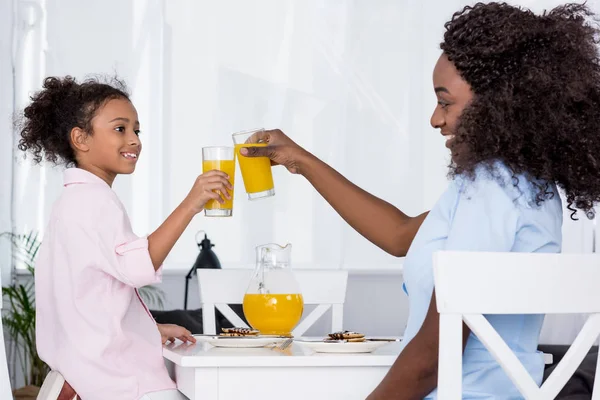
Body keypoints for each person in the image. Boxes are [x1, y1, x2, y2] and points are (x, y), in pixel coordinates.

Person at [240, 2, 600, 398]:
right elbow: (399, 234)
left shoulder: (491, 185)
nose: (435, 118)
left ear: (500, 104)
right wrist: (301, 160)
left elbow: (431, 360)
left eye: (445, 102)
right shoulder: (526, 188)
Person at [18, 76, 232, 399]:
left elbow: (86, 304)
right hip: (120, 383)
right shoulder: (93, 203)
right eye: (120, 129)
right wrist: (193, 202)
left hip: (90, 376)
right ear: (81, 139)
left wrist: (149, 331)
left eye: (137, 130)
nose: (134, 140)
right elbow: (139, 264)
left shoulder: (70, 204)